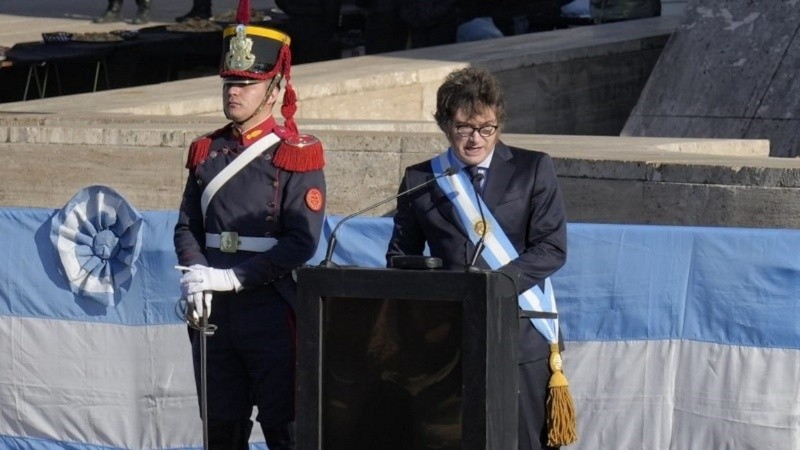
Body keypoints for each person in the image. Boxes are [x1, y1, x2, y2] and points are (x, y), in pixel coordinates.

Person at [386, 67, 577, 449]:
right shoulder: (420, 179)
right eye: (463, 128)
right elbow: (399, 258)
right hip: (448, 339)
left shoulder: (532, 168)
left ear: (498, 123)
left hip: (520, 332)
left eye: (486, 128)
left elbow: (551, 248)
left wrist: (494, 286)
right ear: (444, 124)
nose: (476, 139)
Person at [173, 1, 326, 447]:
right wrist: (197, 277)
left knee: (285, 429)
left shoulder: (296, 152)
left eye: (247, 83)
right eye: (230, 82)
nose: (233, 92)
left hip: (271, 306)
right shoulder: (207, 150)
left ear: (275, 89)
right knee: (220, 428)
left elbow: (302, 240)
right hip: (212, 310)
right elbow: (187, 225)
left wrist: (233, 278)